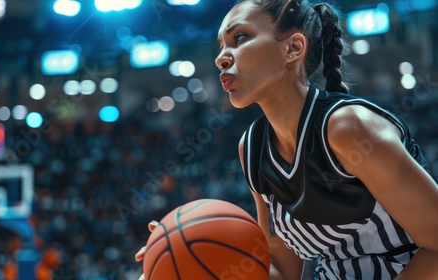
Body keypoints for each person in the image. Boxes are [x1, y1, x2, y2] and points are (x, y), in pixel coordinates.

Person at [137, 0, 438, 279]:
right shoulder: (252, 148)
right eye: (220, 46)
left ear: (293, 48)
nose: (220, 58)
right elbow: (281, 269)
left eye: (239, 38)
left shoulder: (348, 128)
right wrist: (182, 249)